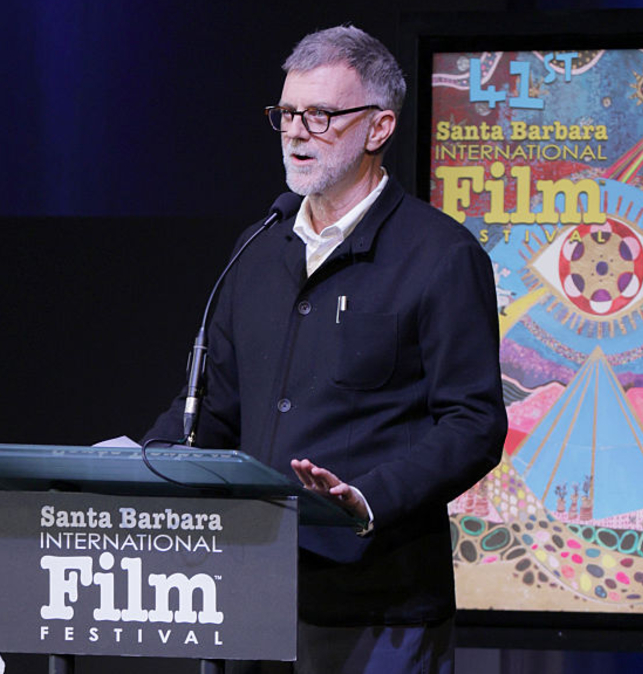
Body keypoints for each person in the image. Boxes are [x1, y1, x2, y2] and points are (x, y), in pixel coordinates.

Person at [145, 25, 507, 674]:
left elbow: (474, 423)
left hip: (379, 609)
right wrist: (137, 461)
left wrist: (366, 498)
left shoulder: (441, 257)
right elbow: (213, 411)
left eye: (320, 115)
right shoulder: (258, 250)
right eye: (286, 113)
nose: (295, 131)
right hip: (249, 597)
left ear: (378, 128)